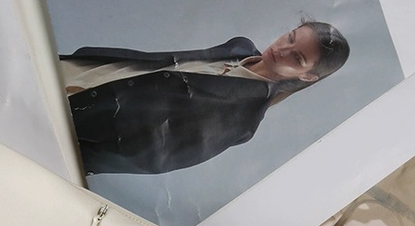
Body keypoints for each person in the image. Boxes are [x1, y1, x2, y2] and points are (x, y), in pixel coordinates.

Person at [58, 21, 350, 176]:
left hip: (75, 121)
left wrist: (76, 155)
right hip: (79, 71)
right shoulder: (239, 47)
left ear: (307, 77)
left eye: (297, 58)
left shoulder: (243, 120)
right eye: (290, 37)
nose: (282, 50)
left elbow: (156, 158)